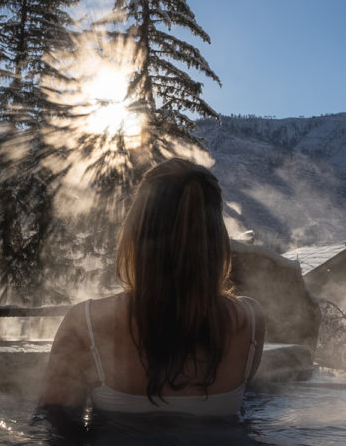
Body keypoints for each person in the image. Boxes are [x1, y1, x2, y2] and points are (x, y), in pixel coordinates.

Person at [39, 158, 265, 421]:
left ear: (137, 231)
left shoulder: (87, 323)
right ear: (216, 237)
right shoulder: (249, 322)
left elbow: (56, 436)